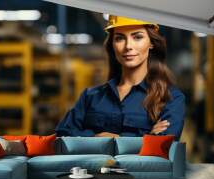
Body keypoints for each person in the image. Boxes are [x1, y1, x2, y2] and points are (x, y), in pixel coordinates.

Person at [55, 15, 185, 141]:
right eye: (119, 38)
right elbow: (62, 135)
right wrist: (146, 137)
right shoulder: (90, 97)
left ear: (151, 43)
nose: (128, 46)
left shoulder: (170, 98)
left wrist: (115, 139)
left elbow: (163, 145)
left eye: (137, 37)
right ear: (112, 44)